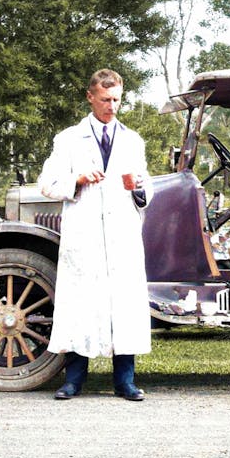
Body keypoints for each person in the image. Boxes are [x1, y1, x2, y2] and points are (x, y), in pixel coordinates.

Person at [38, 69, 155, 401]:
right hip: (85, 233)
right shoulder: (69, 139)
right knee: (81, 303)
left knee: (124, 304)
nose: (112, 106)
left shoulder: (133, 141)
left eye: (117, 99)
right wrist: (78, 178)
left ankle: (125, 381)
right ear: (90, 97)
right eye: (105, 100)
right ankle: (74, 380)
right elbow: (46, 183)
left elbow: (146, 190)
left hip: (121, 234)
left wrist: (139, 189)